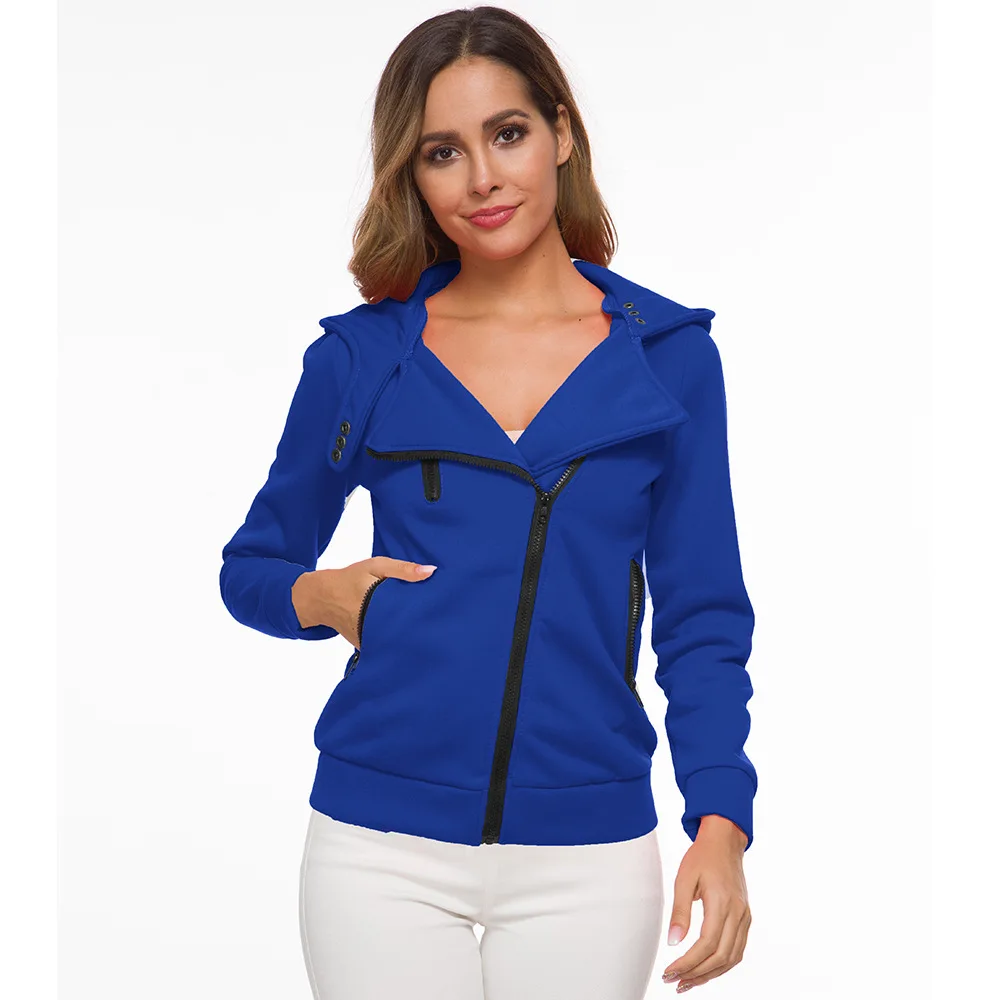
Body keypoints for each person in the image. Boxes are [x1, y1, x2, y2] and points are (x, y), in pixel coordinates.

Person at [219, 7, 756, 999]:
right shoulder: (363, 358)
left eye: (507, 133)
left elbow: (703, 618)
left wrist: (719, 823)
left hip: (589, 856)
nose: (482, 178)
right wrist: (324, 597)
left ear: (561, 133)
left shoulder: (668, 357)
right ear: (412, 174)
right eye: (442, 152)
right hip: (377, 847)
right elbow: (251, 568)